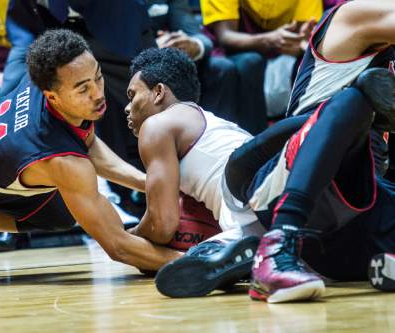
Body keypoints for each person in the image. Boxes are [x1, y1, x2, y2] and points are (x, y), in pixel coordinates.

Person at [158, 0, 395, 301]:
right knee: (355, 100)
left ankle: (250, 250)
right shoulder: (355, 15)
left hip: (344, 225)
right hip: (278, 178)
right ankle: (277, 247)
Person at [0, 29, 182, 274]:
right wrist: (195, 260)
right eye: (83, 88)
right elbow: (119, 246)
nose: (98, 94)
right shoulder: (61, 160)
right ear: (51, 96)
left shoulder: (46, 75)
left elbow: (88, 143)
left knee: (62, 214)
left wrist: (153, 185)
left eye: (97, 77)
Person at [124, 47, 261, 297]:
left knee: (170, 261)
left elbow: (162, 225)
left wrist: (129, 238)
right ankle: (264, 250)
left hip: (246, 213)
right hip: (277, 192)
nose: (127, 107)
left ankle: (233, 252)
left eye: (132, 95)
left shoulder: (156, 126)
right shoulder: (214, 123)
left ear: (158, 92)